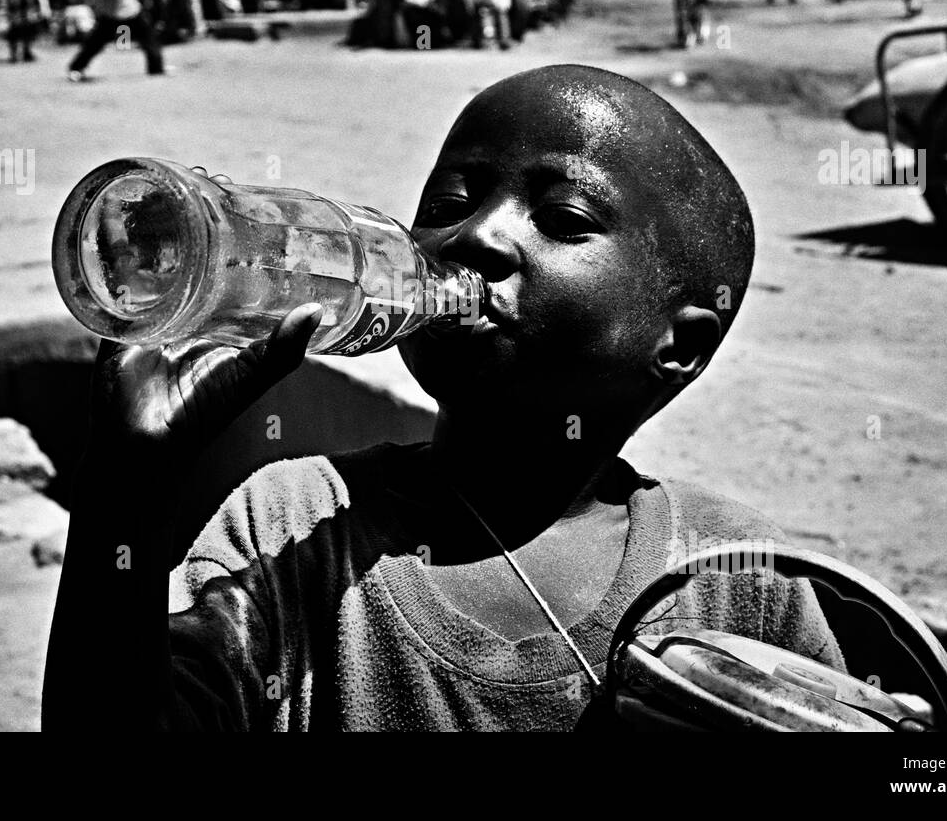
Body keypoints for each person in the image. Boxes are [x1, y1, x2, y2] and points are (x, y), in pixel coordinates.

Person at [42, 64, 844, 732]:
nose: (476, 237)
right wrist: (121, 488)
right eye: (449, 204)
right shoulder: (294, 527)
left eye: (561, 217)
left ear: (682, 345)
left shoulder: (736, 576)